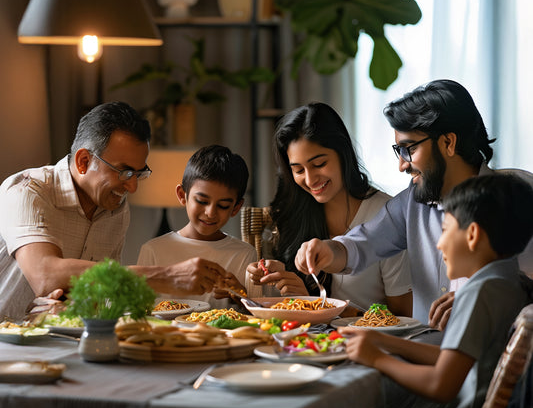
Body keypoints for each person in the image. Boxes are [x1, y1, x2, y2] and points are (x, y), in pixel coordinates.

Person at [294, 80, 533, 327]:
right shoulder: (413, 201)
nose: (402, 165)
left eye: (409, 149)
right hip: (421, 350)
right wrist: (327, 250)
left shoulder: (518, 197)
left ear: (448, 143)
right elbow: (364, 243)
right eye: (398, 151)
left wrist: (483, 296)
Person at [340, 174, 533, 408]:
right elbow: (455, 359)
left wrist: (377, 359)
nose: (439, 244)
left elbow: (441, 383)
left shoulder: (478, 293)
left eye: (445, 229)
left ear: (473, 234)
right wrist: (384, 341)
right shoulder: (508, 281)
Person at [0, 102, 231, 321]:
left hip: (59, 342)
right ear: (83, 161)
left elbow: (98, 294)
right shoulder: (27, 190)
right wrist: (166, 277)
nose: (132, 187)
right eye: (124, 172)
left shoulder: (115, 208)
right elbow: (45, 275)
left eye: (139, 174)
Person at [246, 102, 412, 316]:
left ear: (343, 153)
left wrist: (318, 306)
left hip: (368, 345)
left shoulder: (387, 218)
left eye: (319, 164)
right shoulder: (295, 215)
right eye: (298, 170)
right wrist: (276, 281)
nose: (310, 179)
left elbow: (404, 318)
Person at [137, 145, 257, 308]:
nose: (210, 213)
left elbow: (255, 315)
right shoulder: (153, 250)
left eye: (222, 206)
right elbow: (138, 308)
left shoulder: (244, 254)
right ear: (182, 195)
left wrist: (240, 294)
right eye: (202, 201)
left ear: (236, 207)